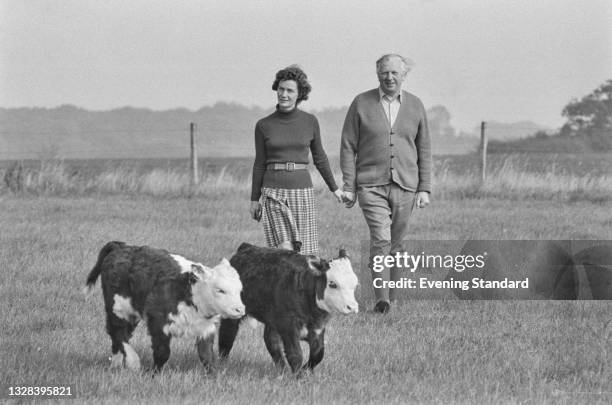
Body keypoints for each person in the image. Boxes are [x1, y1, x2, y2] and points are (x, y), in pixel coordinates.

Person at [340, 54, 432, 313]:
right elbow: (348, 145)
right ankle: (382, 300)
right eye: (384, 73)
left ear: (404, 75)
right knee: (381, 237)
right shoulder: (361, 103)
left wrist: (424, 188)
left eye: (394, 73)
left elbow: (424, 149)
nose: (389, 77)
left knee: (397, 243)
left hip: (406, 185)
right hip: (370, 184)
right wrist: (349, 186)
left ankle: (394, 296)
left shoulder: (415, 105)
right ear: (377, 74)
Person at [250, 65, 343, 255]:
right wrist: (254, 199)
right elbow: (259, 163)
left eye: (290, 90)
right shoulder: (263, 125)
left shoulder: (310, 121)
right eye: (281, 89)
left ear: (299, 94)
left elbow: (320, 158)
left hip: (302, 191)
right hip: (272, 192)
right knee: (284, 249)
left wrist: (335, 188)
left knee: (304, 253)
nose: (284, 94)